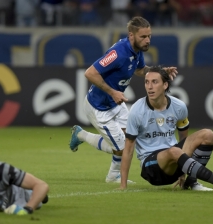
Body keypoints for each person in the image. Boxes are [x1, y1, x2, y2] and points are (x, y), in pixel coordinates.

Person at [69, 16, 180, 184]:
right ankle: (85, 139)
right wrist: (113, 92)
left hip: (116, 103)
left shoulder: (137, 51)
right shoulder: (118, 53)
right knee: (121, 147)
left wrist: (160, 71)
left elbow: (141, 70)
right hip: (99, 107)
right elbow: (90, 73)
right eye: (143, 37)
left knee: (130, 139)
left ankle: (112, 171)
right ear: (131, 35)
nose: (147, 40)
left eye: (149, 36)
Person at [120, 65, 213, 192]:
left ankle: (191, 182)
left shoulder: (179, 106)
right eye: (147, 82)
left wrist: (183, 169)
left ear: (165, 85)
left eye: (154, 82)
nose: (149, 87)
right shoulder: (137, 110)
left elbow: (184, 139)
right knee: (174, 151)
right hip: (151, 167)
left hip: (174, 157)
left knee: (208, 135)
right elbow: (128, 149)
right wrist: (123, 185)